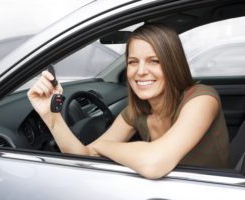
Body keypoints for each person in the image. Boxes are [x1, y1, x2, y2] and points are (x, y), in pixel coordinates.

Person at [27, 24, 229, 179]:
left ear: (172, 64)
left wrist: (102, 147)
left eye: (154, 61)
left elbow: (154, 164)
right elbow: (84, 155)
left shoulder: (202, 98)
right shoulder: (136, 112)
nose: (140, 71)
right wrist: (51, 116)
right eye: (133, 62)